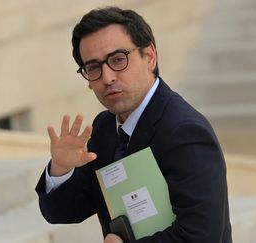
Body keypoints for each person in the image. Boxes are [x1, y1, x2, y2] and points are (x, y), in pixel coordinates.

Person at [35, 6, 232, 243]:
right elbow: (64, 211)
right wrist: (61, 170)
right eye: (94, 68)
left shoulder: (185, 132)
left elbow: (201, 236)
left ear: (149, 56)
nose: (108, 78)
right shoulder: (105, 128)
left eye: (118, 60)